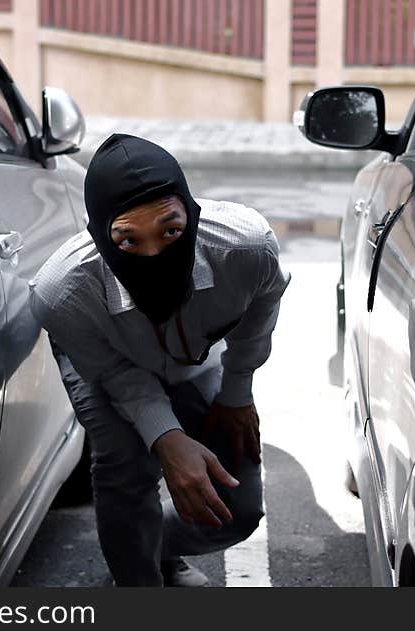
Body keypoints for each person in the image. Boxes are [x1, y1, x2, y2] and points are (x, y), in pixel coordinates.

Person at [29, 134, 290, 586]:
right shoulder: (64, 294)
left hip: (197, 360)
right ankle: (137, 581)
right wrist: (166, 437)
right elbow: (112, 372)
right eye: (128, 241)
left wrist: (237, 393)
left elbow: (262, 307)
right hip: (108, 364)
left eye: (171, 231)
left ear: (192, 213)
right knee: (125, 465)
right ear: (99, 238)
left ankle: (157, 548)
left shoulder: (246, 249)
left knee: (238, 506)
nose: (154, 255)